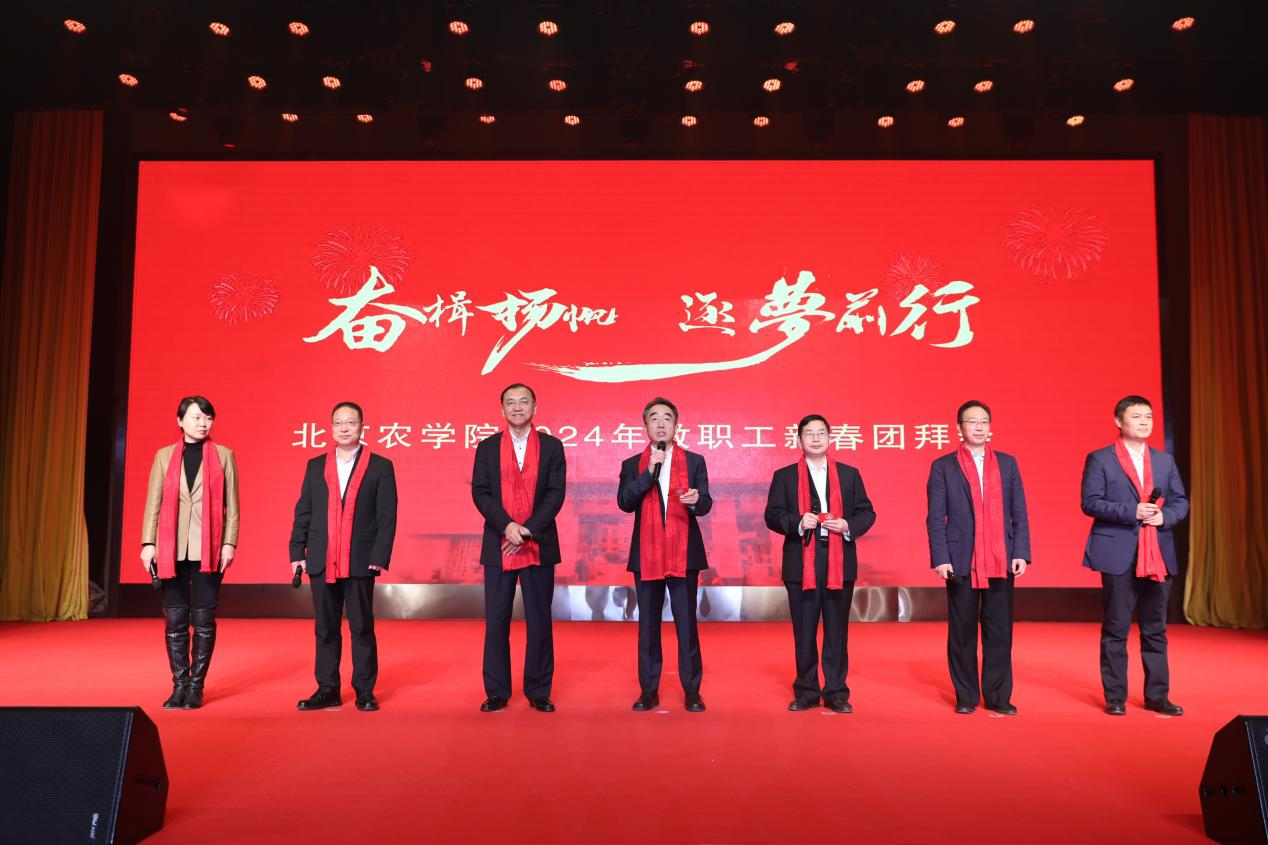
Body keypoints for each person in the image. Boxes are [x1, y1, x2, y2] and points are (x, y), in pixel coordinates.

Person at [1081, 395, 1189, 717]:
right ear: (1119, 421)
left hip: (1158, 553)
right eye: (1137, 416)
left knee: (1156, 629)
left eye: (1149, 417)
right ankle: (1115, 696)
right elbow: (1090, 502)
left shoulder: (1164, 461)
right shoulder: (1100, 459)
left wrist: (1164, 516)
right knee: (1116, 629)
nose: (1144, 422)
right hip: (1119, 554)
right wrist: (1133, 511)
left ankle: (1158, 696)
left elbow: (1180, 501)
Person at [289, 401, 397, 712]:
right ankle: (327, 689)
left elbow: (387, 515)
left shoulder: (380, 466)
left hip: (360, 558)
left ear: (362, 426)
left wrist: (380, 554)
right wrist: (297, 550)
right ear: (332, 427)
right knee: (325, 627)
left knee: (361, 627)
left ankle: (364, 690)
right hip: (321, 557)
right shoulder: (315, 466)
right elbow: (304, 511)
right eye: (339, 422)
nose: (344, 428)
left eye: (351, 422)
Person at [925, 400, 1031, 716]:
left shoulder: (1007, 464)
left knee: (999, 630)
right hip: (961, 559)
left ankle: (998, 696)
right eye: (972, 422)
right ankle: (966, 695)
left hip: (1001, 558)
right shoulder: (943, 466)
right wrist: (940, 558)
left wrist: (1021, 552)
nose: (979, 427)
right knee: (963, 630)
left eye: (984, 421)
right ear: (960, 428)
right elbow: (935, 517)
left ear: (990, 427)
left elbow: (1019, 513)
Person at [764, 414, 876, 713]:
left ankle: (837, 692)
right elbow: (772, 516)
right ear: (799, 439)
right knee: (804, 631)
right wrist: (799, 522)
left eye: (821, 433)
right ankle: (806, 691)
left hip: (839, 560)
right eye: (809, 433)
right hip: (801, 562)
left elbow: (867, 513)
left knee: (837, 631)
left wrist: (848, 525)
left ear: (830, 437)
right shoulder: (785, 476)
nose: (815, 438)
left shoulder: (849, 475)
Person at [471, 383, 567, 713]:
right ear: (502, 410)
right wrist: (508, 527)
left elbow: (556, 493)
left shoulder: (552, 447)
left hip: (538, 542)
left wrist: (527, 531)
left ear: (534, 407)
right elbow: (481, 493)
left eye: (523, 402)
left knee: (539, 621)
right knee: (496, 621)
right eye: (510, 403)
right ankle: (497, 691)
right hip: (499, 543)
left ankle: (539, 690)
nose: (517, 407)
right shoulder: (487, 448)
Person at [140, 395, 240, 710]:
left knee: (204, 618)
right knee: (175, 619)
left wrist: (229, 543)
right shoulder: (163, 456)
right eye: (196, 417)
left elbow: (233, 505)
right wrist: (148, 543)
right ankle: (179, 684)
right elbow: (153, 501)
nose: (202, 423)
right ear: (180, 421)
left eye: (208, 417)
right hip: (170, 547)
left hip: (210, 547)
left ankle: (196, 686)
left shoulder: (224, 455)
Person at [617, 397, 712, 712]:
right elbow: (625, 502)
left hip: (684, 554)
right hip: (647, 555)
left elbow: (706, 503)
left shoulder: (695, 461)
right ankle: (648, 691)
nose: (661, 423)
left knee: (687, 625)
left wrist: (696, 501)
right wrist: (649, 473)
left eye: (667, 418)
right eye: (654, 418)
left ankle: (692, 691)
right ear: (645, 425)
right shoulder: (633, 464)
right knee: (648, 626)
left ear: (676, 425)